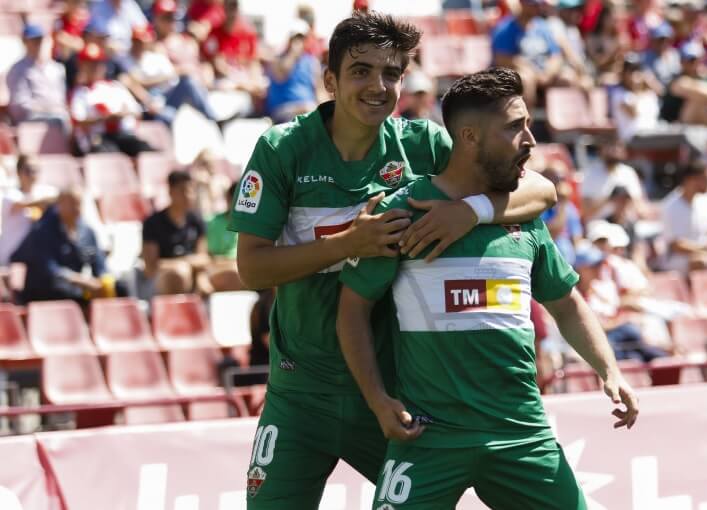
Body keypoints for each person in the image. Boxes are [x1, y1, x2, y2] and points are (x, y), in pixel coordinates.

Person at [231, 11, 558, 509]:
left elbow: (540, 188)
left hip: (389, 392)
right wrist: (346, 243)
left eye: (392, 72)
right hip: (300, 394)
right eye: (361, 70)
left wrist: (468, 212)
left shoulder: (422, 144)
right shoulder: (282, 149)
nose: (377, 85)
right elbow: (251, 268)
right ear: (330, 80)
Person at [336, 67, 638, 509]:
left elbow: (567, 304)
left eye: (529, 125)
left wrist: (609, 369)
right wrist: (379, 400)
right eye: (515, 127)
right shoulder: (404, 211)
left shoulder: (522, 215)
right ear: (470, 137)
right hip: (428, 438)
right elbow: (352, 311)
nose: (530, 141)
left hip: (521, 433)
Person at [10, 187, 119, 305]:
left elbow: (97, 262)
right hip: (46, 290)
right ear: (60, 204)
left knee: (119, 288)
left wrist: (102, 282)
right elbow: (50, 270)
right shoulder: (42, 230)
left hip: (78, 287)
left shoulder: (86, 232)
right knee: (66, 291)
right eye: (72, 203)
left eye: (79, 203)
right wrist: (81, 281)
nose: (76, 208)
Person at [68, 42, 154, 157]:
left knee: (146, 150)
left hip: (122, 134)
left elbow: (137, 112)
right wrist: (103, 119)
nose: (95, 68)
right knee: (108, 154)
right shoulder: (80, 92)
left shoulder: (116, 87)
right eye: (90, 64)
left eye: (98, 63)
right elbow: (78, 121)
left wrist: (121, 114)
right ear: (82, 66)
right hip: (97, 138)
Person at [121, 24, 216, 126]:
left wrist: (173, 74)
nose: (139, 45)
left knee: (188, 81)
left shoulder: (154, 57)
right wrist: (166, 77)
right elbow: (135, 81)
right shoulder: (125, 59)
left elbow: (173, 77)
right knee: (171, 118)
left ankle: (213, 118)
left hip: (167, 96)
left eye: (142, 42)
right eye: (137, 41)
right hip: (148, 104)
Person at [141, 170, 210, 295]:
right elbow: (150, 267)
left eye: (192, 190)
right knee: (179, 274)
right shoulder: (152, 223)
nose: (189, 195)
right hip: (161, 281)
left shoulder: (197, 221)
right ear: (171, 191)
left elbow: (203, 258)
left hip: (193, 274)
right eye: (183, 190)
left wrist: (196, 273)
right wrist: (183, 266)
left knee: (232, 275)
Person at [491, 0, 565, 105]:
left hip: (544, 73)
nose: (537, 8)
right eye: (534, 5)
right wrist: (534, 73)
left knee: (568, 79)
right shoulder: (506, 28)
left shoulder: (542, 26)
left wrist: (549, 73)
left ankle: (564, 120)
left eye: (539, 4)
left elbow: (556, 55)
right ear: (522, 4)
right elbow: (503, 59)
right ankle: (527, 120)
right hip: (521, 73)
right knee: (526, 79)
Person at [6, 24, 70, 129]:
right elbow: (20, 105)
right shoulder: (17, 70)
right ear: (24, 41)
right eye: (33, 40)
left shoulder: (56, 68)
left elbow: (60, 99)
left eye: (39, 39)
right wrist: (47, 109)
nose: (37, 43)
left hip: (57, 115)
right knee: (59, 120)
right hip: (31, 119)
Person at [0, 155, 58, 266]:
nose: (32, 174)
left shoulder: (44, 191)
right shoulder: (10, 195)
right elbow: (22, 204)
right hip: (11, 257)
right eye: (28, 170)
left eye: (36, 170)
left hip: (35, 258)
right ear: (18, 172)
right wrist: (48, 201)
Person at [265, 20, 323, 123]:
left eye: (301, 38)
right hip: (282, 110)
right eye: (295, 38)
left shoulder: (312, 62)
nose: (298, 42)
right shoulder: (277, 60)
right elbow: (281, 75)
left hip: (308, 108)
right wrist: (292, 54)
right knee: (307, 110)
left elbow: (318, 92)